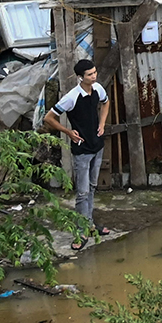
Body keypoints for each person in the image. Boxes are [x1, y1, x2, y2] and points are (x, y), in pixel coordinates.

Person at [44, 59, 112, 240]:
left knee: (92, 186)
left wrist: (102, 123)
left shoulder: (98, 89)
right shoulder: (72, 97)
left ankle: (89, 223)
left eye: (95, 72)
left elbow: (106, 103)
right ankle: (81, 230)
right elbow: (49, 118)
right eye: (90, 74)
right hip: (82, 150)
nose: (94, 76)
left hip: (97, 145)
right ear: (80, 77)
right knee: (82, 192)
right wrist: (68, 132)